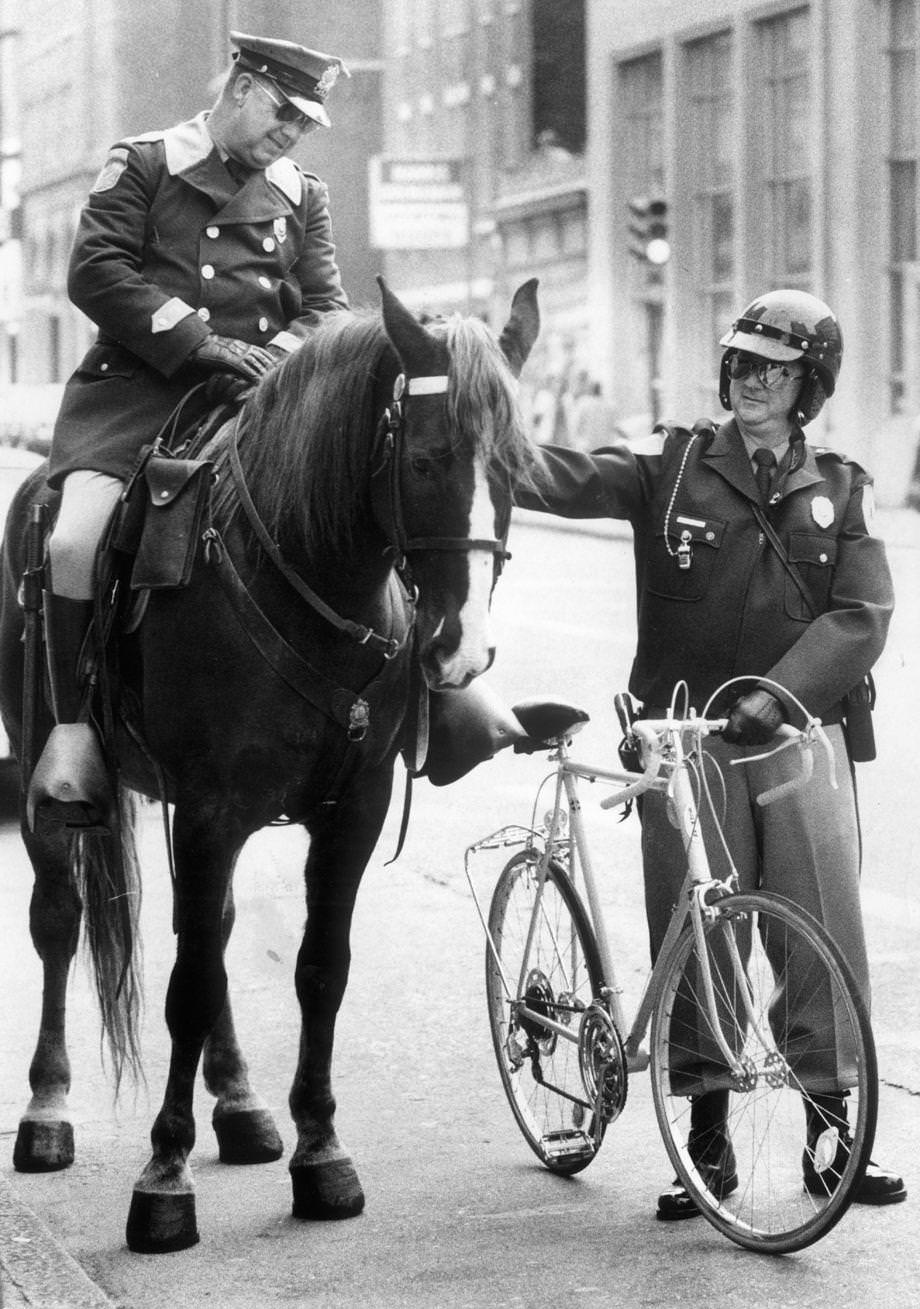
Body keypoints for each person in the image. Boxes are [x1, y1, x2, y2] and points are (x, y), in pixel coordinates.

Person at [514, 289, 906, 1218]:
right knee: (696, 929)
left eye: (774, 370)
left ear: (810, 383)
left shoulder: (840, 486)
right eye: (740, 364)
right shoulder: (674, 461)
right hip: (687, 736)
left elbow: (863, 614)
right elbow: (561, 476)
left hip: (796, 737)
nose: (751, 382)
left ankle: (828, 1128)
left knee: (818, 927)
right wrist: (478, 420)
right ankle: (708, 1134)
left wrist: (781, 693)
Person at [28, 31, 350, 830]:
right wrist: (200, 344)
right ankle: (73, 734)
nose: (292, 133)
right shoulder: (143, 163)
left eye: (305, 124)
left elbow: (328, 307)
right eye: (283, 112)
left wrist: (272, 354)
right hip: (140, 395)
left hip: (258, 399)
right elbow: (97, 271)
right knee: (75, 541)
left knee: (369, 506)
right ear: (241, 88)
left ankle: (415, 704)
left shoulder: (301, 193)